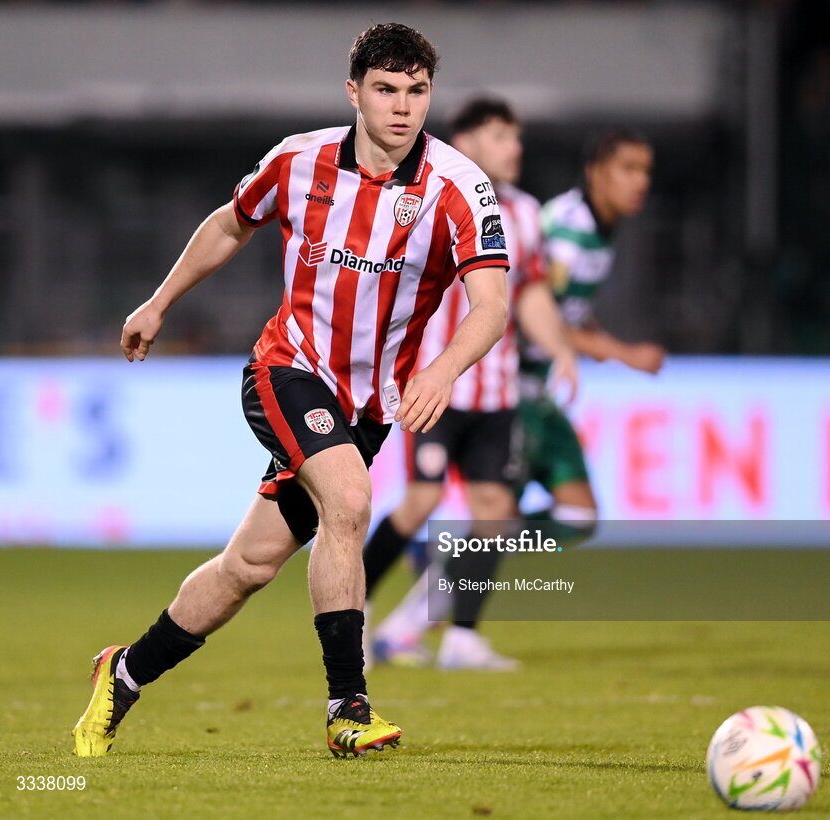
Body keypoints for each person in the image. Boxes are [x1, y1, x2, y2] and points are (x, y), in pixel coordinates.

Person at [71, 23, 510, 760]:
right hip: (287, 369)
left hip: (368, 407)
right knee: (351, 502)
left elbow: (491, 304)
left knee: (248, 567)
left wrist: (439, 371)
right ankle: (349, 708)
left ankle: (125, 673)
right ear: (354, 92)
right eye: (385, 89)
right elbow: (228, 225)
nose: (402, 108)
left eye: (417, 91)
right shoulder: (299, 160)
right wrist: (158, 303)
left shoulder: (459, 186)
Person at [361, 97, 578, 671]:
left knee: (494, 511)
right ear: (468, 139)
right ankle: (351, 609)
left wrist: (559, 348)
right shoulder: (427, 193)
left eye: (517, 136)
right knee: (421, 502)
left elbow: (526, 294)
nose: (516, 148)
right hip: (435, 385)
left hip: (498, 394)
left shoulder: (526, 213)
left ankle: (461, 637)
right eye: (503, 136)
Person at [519, 129, 665, 538]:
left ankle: (450, 556)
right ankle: (438, 579)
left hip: (536, 390)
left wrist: (592, 333)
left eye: (646, 170)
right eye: (628, 169)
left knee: (579, 515)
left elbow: (567, 309)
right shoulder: (567, 232)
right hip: (507, 390)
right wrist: (621, 352)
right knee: (493, 514)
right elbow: (534, 318)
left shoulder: (600, 226)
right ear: (595, 173)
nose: (641, 181)